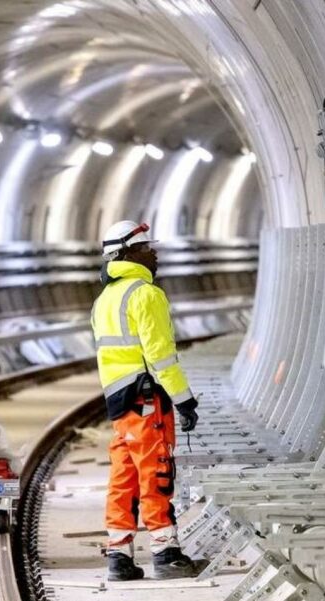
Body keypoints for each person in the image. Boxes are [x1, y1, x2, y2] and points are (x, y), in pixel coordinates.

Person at [91, 220, 200, 581]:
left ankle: (119, 556)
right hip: (147, 398)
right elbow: (161, 357)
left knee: (124, 476)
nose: (154, 253)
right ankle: (166, 552)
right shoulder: (145, 294)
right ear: (128, 253)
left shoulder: (105, 299)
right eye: (146, 247)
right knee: (156, 472)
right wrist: (184, 400)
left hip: (119, 404)